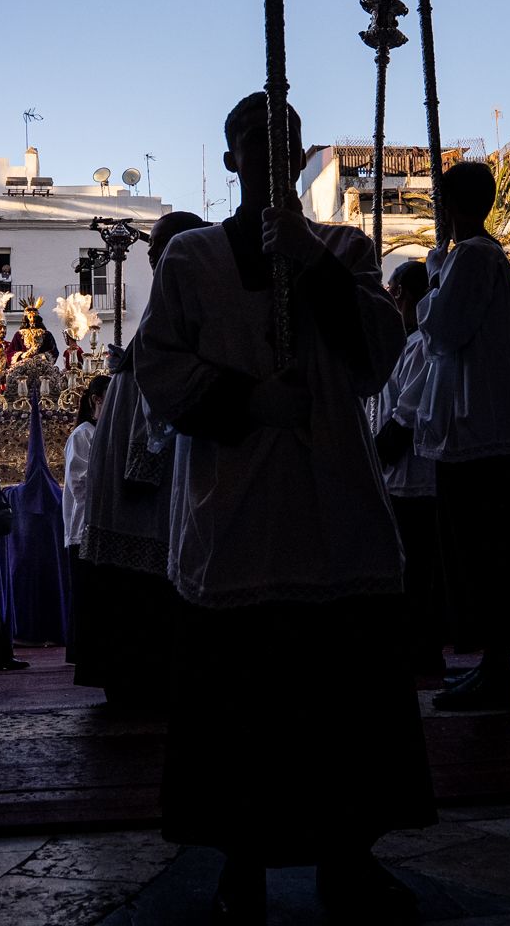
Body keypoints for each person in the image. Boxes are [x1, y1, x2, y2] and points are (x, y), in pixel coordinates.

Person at [133, 93, 432, 923]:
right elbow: (156, 365)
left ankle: (350, 856)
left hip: (333, 507)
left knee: (341, 708)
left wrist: (310, 260)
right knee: (241, 709)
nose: (269, 153)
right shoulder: (190, 259)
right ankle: (242, 863)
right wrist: (243, 401)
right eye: (252, 142)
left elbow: (378, 355)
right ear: (230, 159)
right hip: (237, 514)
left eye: (285, 140)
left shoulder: (345, 247)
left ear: (301, 157)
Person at [401, 160, 510, 712]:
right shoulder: (480, 258)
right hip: (483, 430)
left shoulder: (473, 257)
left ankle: (496, 669)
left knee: (483, 553)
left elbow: (443, 333)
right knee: (483, 553)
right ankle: (492, 666)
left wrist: (436, 271)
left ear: (453, 205)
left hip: (479, 432)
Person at [76, 211, 205, 709]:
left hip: (150, 466)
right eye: (154, 249)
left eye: (163, 248)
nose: (155, 256)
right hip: (128, 461)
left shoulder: (187, 305)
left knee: (148, 568)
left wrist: (143, 462)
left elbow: (165, 394)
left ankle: (145, 673)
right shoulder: (164, 304)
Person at [374, 259, 446, 675]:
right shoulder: (403, 345)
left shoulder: (422, 344)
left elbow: (408, 412)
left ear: (403, 294)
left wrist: (378, 453)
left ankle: (423, 652)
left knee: (417, 572)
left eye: (394, 291)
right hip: (398, 479)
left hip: (413, 479)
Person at [60, 373, 110, 663]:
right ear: (96, 401)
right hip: (84, 528)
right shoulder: (83, 435)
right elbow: (81, 484)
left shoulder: (104, 434)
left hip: (100, 527)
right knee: (86, 594)